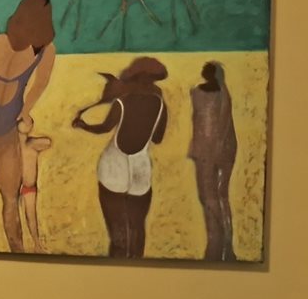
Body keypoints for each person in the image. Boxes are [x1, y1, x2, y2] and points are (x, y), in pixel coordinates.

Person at [0, 0, 56, 252]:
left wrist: (25, 111)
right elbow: (40, 83)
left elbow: (40, 83)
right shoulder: (33, 49)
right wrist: (25, 111)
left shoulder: (31, 48)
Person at [72, 57, 168, 259]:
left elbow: (104, 128)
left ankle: (115, 273)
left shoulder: (122, 102)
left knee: (118, 235)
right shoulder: (160, 104)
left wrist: (83, 125)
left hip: (113, 168)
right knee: (137, 229)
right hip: (141, 169)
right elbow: (158, 139)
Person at [189, 61, 237, 261]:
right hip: (219, 150)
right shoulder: (222, 95)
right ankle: (222, 244)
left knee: (211, 196)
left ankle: (219, 243)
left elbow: (200, 121)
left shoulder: (198, 93)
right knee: (218, 196)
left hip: (208, 151)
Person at [17, 120, 52, 253]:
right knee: (20, 218)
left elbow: (48, 142)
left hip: (29, 187)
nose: (29, 123)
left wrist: (32, 141)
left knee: (31, 217)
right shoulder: (14, 146)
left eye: (30, 122)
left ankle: (36, 244)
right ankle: (28, 245)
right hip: (18, 187)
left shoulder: (31, 145)